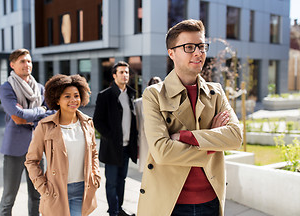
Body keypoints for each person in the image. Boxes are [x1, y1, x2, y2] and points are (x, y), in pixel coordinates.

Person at [137, 19, 243, 216]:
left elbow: (236, 136)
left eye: (202, 46)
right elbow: (162, 151)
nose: (198, 52)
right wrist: (213, 139)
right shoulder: (154, 95)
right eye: (189, 47)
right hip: (170, 203)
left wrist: (185, 137)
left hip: (211, 200)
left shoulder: (216, 92)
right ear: (171, 53)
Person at [25, 74, 101, 216]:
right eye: (67, 96)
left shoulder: (87, 123)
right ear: (57, 100)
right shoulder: (45, 126)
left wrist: (95, 177)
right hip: (56, 191)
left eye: (76, 95)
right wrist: (43, 187)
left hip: (82, 189)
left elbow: (93, 153)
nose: (73, 100)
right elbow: (31, 160)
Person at [0, 48, 51, 216]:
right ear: (12, 65)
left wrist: (32, 114)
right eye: (22, 61)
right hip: (15, 149)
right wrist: (40, 110)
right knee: (9, 197)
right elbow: (17, 116)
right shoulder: (6, 88)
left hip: (37, 147)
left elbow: (52, 114)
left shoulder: (41, 89)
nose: (27, 64)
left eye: (29, 61)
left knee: (37, 195)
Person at [93, 61, 138, 216]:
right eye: (121, 72)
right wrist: (111, 137)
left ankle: (119, 209)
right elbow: (97, 121)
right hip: (112, 147)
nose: (125, 75)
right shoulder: (104, 95)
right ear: (114, 75)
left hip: (127, 147)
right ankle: (113, 211)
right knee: (111, 182)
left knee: (122, 180)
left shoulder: (131, 94)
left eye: (127, 72)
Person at [134, 76, 162, 172]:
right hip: (144, 141)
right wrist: (137, 145)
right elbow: (137, 126)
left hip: (161, 142)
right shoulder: (138, 103)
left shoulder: (166, 103)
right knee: (147, 170)